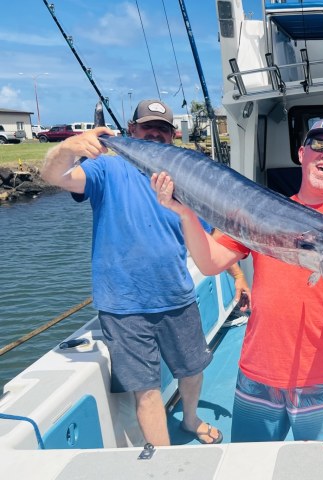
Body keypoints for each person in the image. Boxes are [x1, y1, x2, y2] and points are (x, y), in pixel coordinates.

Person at [151, 119, 323, 442]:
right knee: (250, 465)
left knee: (320, 469)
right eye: (319, 146)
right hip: (260, 370)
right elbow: (210, 262)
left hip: (321, 377)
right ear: (302, 154)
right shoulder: (261, 212)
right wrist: (184, 213)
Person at [40, 99, 227, 446]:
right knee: (146, 390)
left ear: (172, 136)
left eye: (163, 129)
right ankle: (169, 465)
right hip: (123, 306)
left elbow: (210, 235)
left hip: (177, 295)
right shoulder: (107, 171)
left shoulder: (185, 182)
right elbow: (54, 176)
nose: (155, 133)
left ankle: (190, 419)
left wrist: (239, 276)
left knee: (193, 369)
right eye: (147, 127)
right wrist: (67, 148)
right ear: (132, 131)